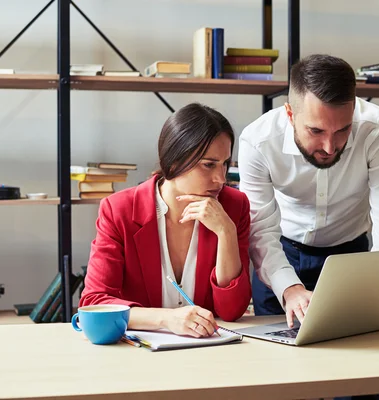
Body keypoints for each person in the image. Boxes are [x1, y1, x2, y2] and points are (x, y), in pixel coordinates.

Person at [238, 54, 379, 329]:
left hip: (350, 254)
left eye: (343, 130)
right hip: (281, 253)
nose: (330, 147)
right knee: (275, 357)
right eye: (316, 131)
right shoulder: (257, 141)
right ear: (290, 114)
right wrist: (289, 287)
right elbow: (259, 228)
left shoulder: (376, 127)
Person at [80, 103, 252, 338]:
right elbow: (94, 302)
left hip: (209, 354)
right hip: (139, 354)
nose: (220, 179)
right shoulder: (119, 210)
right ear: (174, 161)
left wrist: (226, 232)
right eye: (209, 165)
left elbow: (232, 311)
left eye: (225, 164)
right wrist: (165, 318)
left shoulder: (234, 206)